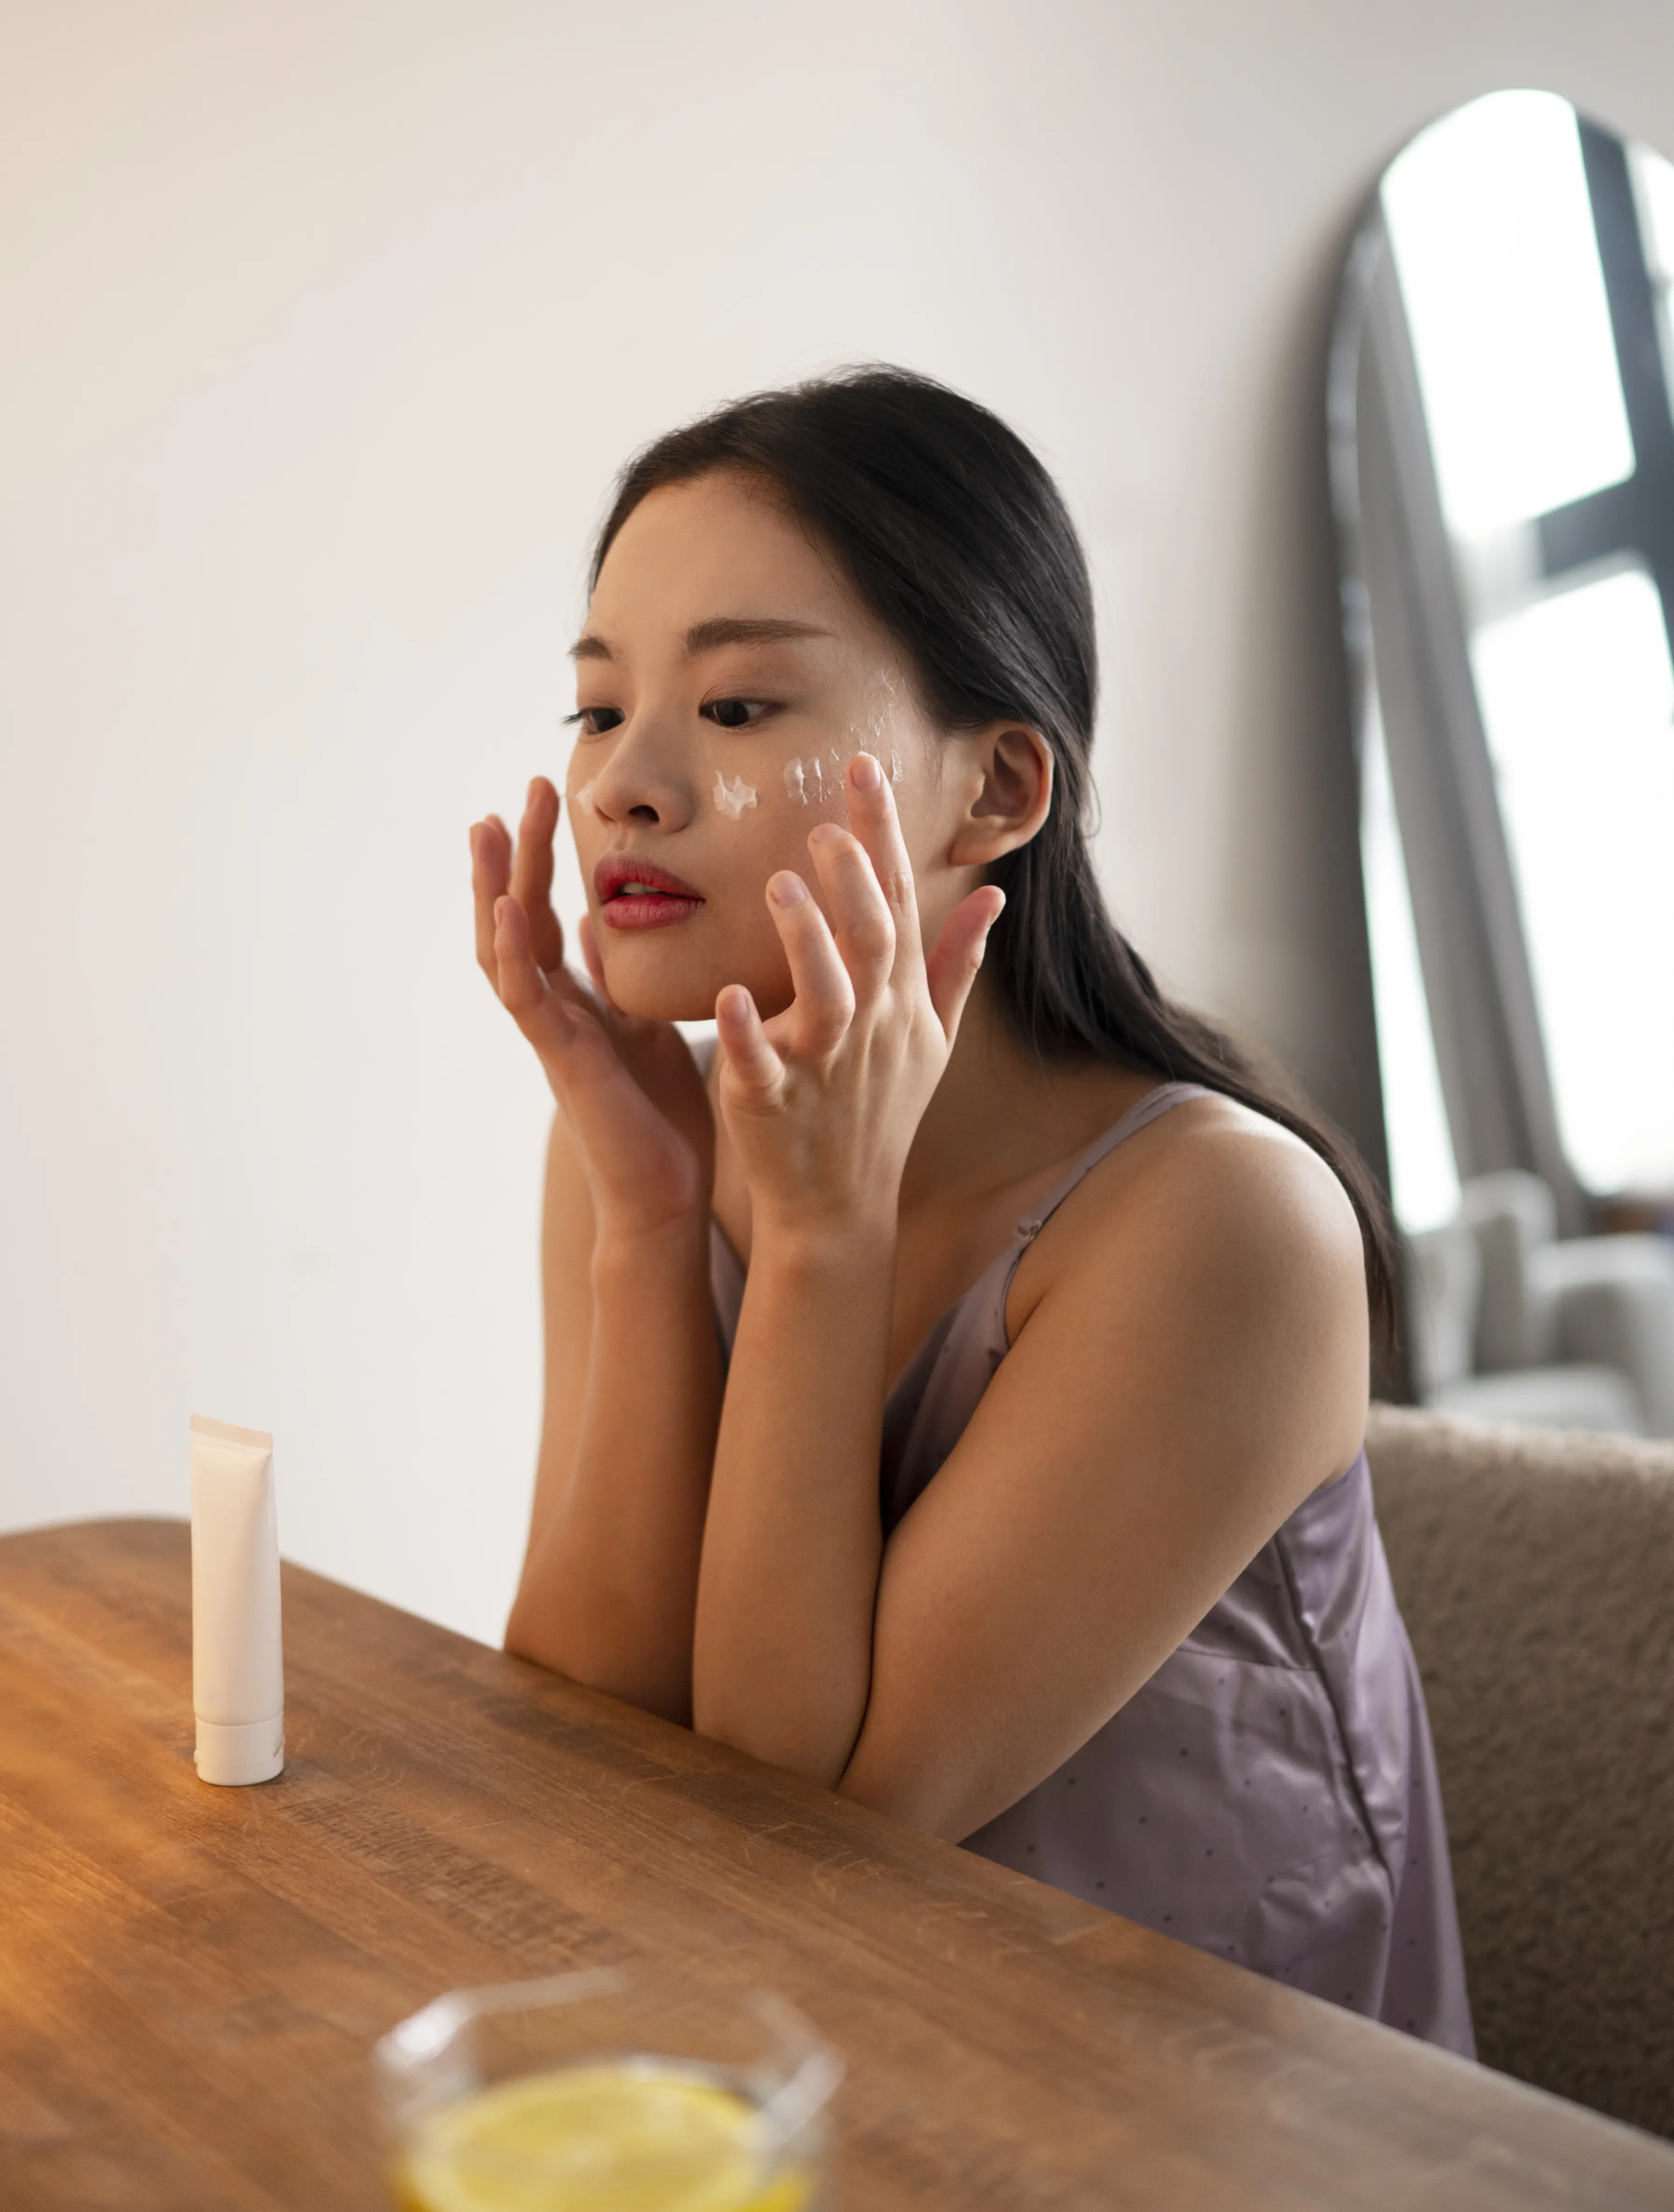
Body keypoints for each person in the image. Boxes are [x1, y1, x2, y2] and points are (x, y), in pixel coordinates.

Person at [468, 367, 1473, 2054]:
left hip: (1228, 2168)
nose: (623, 784)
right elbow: (594, 1749)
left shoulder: (1223, 1231)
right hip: (832, 2067)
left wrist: (817, 1244)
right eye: (596, 706)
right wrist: (651, 1219)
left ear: (998, 792)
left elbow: (803, 1835)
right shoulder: (642, 1146)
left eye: (734, 710)